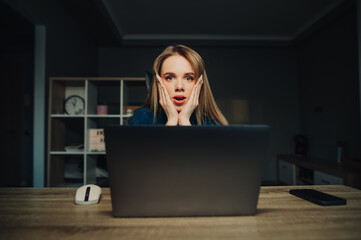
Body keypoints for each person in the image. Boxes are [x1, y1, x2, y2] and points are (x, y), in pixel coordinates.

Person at [131, 45, 228, 126]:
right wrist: (172, 120)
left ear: (200, 83)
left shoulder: (212, 123)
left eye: (188, 78)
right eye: (170, 78)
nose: (179, 87)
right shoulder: (143, 118)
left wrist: (185, 121)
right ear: (158, 83)